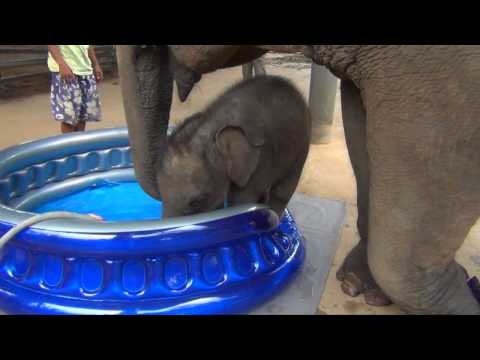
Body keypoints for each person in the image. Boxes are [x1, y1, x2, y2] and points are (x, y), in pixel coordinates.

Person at [47, 45, 103, 134]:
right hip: (67, 71)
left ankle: (79, 145)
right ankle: (69, 146)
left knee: (82, 116)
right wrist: (61, 64)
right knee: (69, 117)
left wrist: (95, 64)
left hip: (85, 70)